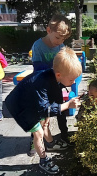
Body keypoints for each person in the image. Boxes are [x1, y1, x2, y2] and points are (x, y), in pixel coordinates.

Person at [5, 47, 82, 174]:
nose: (73, 82)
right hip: (22, 108)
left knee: (45, 123)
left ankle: (50, 144)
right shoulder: (42, 83)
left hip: (32, 102)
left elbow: (49, 103)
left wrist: (47, 116)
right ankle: (43, 160)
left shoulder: (53, 78)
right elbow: (45, 109)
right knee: (39, 133)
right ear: (59, 75)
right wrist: (68, 105)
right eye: (71, 79)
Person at [31, 14, 72, 144]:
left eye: (63, 39)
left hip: (57, 84)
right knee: (41, 115)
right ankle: (35, 141)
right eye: (58, 38)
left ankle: (64, 134)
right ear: (49, 30)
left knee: (61, 109)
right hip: (42, 84)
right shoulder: (38, 46)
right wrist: (54, 69)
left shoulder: (61, 46)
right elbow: (37, 67)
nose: (60, 42)